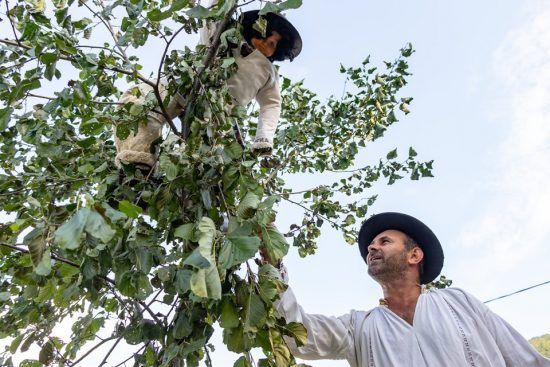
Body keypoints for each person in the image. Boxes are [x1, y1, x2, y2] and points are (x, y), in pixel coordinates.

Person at [271, 212, 550, 366]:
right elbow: (299, 337)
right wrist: (273, 265)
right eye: (372, 245)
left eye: (384, 241)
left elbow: (523, 359)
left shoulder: (458, 302)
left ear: (414, 256)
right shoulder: (360, 327)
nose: (372, 247)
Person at [114, 4, 302, 170]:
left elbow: (272, 105)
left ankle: (180, 196)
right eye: (269, 35)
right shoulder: (225, 34)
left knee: (207, 162)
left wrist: (264, 137)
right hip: (183, 85)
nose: (270, 42)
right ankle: (138, 165)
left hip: (216, 116)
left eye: (276, 43)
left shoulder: (269, 72)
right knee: (139, 100)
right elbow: (214, 11)